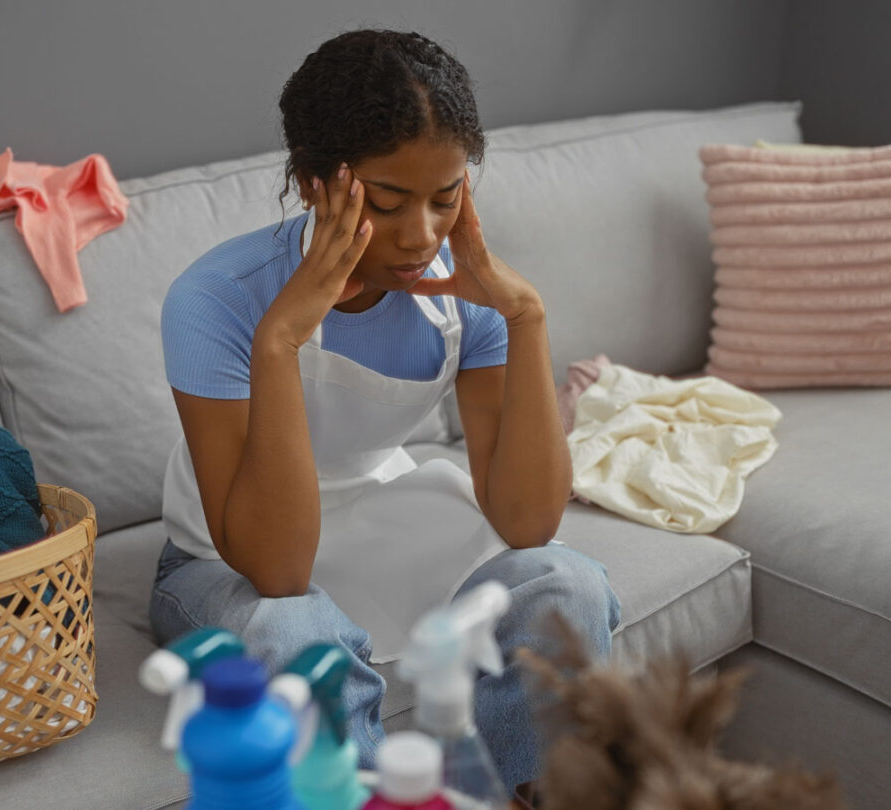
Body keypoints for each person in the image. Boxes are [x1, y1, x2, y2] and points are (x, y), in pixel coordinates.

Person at [150, 29, 620, 792]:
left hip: (383, 516)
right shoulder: (217, 300)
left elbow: (529, 522)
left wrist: (526, 314)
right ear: (313, 182)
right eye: (390, 201)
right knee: (294, 631)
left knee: (568, 585)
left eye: (446, 198)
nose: (422, 235)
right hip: (226, 559)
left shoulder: (469, 298)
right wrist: (279, 342)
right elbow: (276, 569)